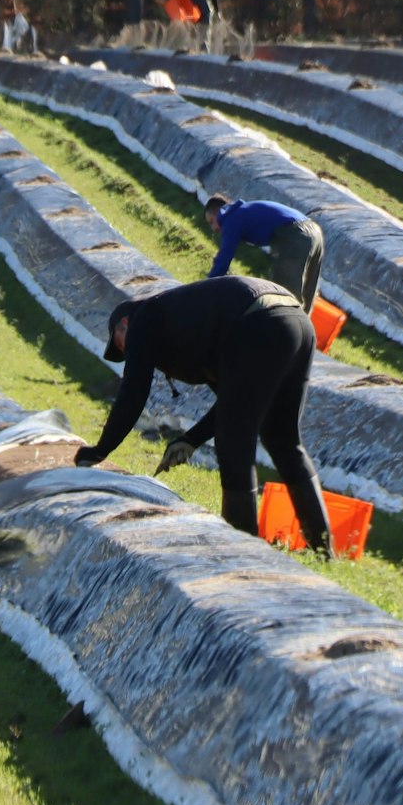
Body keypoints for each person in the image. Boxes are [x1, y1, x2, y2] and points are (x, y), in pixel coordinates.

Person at [73, 276, 333, 556]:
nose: (127, 352)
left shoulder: (145, 318)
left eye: (121, 345)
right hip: (297, 322)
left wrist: (100, 450)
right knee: (281, 438)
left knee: (234, 441)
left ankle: (241, 550)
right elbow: (230, 401)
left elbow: (133, 392)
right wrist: (190, 440)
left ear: (123, 324)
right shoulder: (190, 322)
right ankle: (322, 548)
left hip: (259, 322)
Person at [204, 194, 325, 313]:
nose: (214, 229)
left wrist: (205, 287)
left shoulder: (230, 218)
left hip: (296, 235)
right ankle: (302, 329)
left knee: (284, 295)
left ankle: (281, 329)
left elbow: (224, 258)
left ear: (217, 212)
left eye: (211, 222)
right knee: (308, 291)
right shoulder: (244, 211)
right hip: (315, 232)